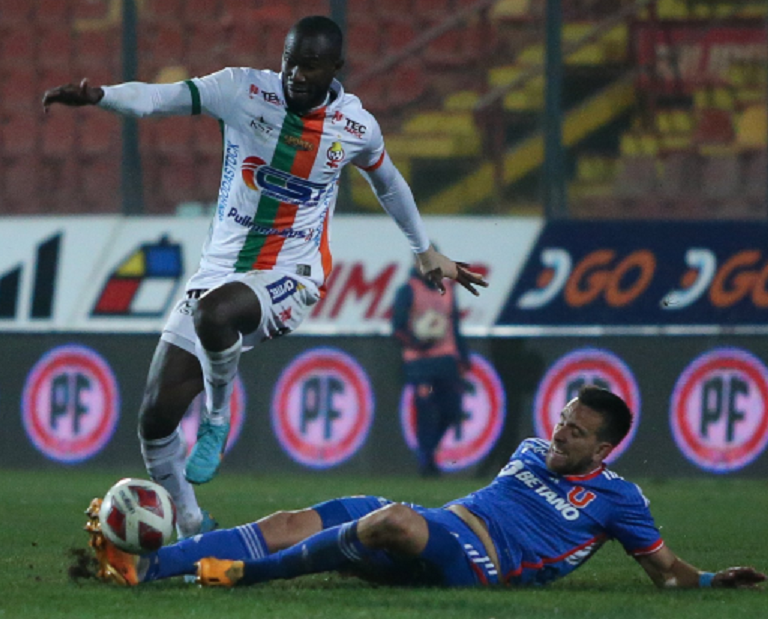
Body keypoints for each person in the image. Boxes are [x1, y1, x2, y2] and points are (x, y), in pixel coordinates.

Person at [43, 15, 487, 538]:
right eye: (290, 61)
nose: (296, 74)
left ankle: (217, 417)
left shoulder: (354, 126)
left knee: (216, 314)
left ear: (335, 68)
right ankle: (190, 524)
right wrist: (101, 97)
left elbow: (387, 182)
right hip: (219, 268)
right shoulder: (242, 90)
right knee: (155, 418)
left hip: (293, 273)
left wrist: (424, 249)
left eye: (311, 65)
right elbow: (160, 99)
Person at [82, 386, 765, 590]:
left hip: (478, 563)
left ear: (604, 448)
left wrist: (706, 583)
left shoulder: (620, 500)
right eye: (560, 420)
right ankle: (145, 564)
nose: (558, 436)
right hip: (443, 522)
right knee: (303, 513)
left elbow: (663, 571)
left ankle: (239, 575)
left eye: (576, 433)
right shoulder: (530, 449)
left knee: (393, 523)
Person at [391, 255, 470, 477]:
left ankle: (429, 450)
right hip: (420, 362)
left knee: (452, 410)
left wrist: (463, 357)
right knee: (425, 410)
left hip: (446, 358)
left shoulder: (448, 290)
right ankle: (427, 460)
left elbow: (455, 325)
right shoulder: (408, 290)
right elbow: (397, 326)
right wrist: (417, 343)